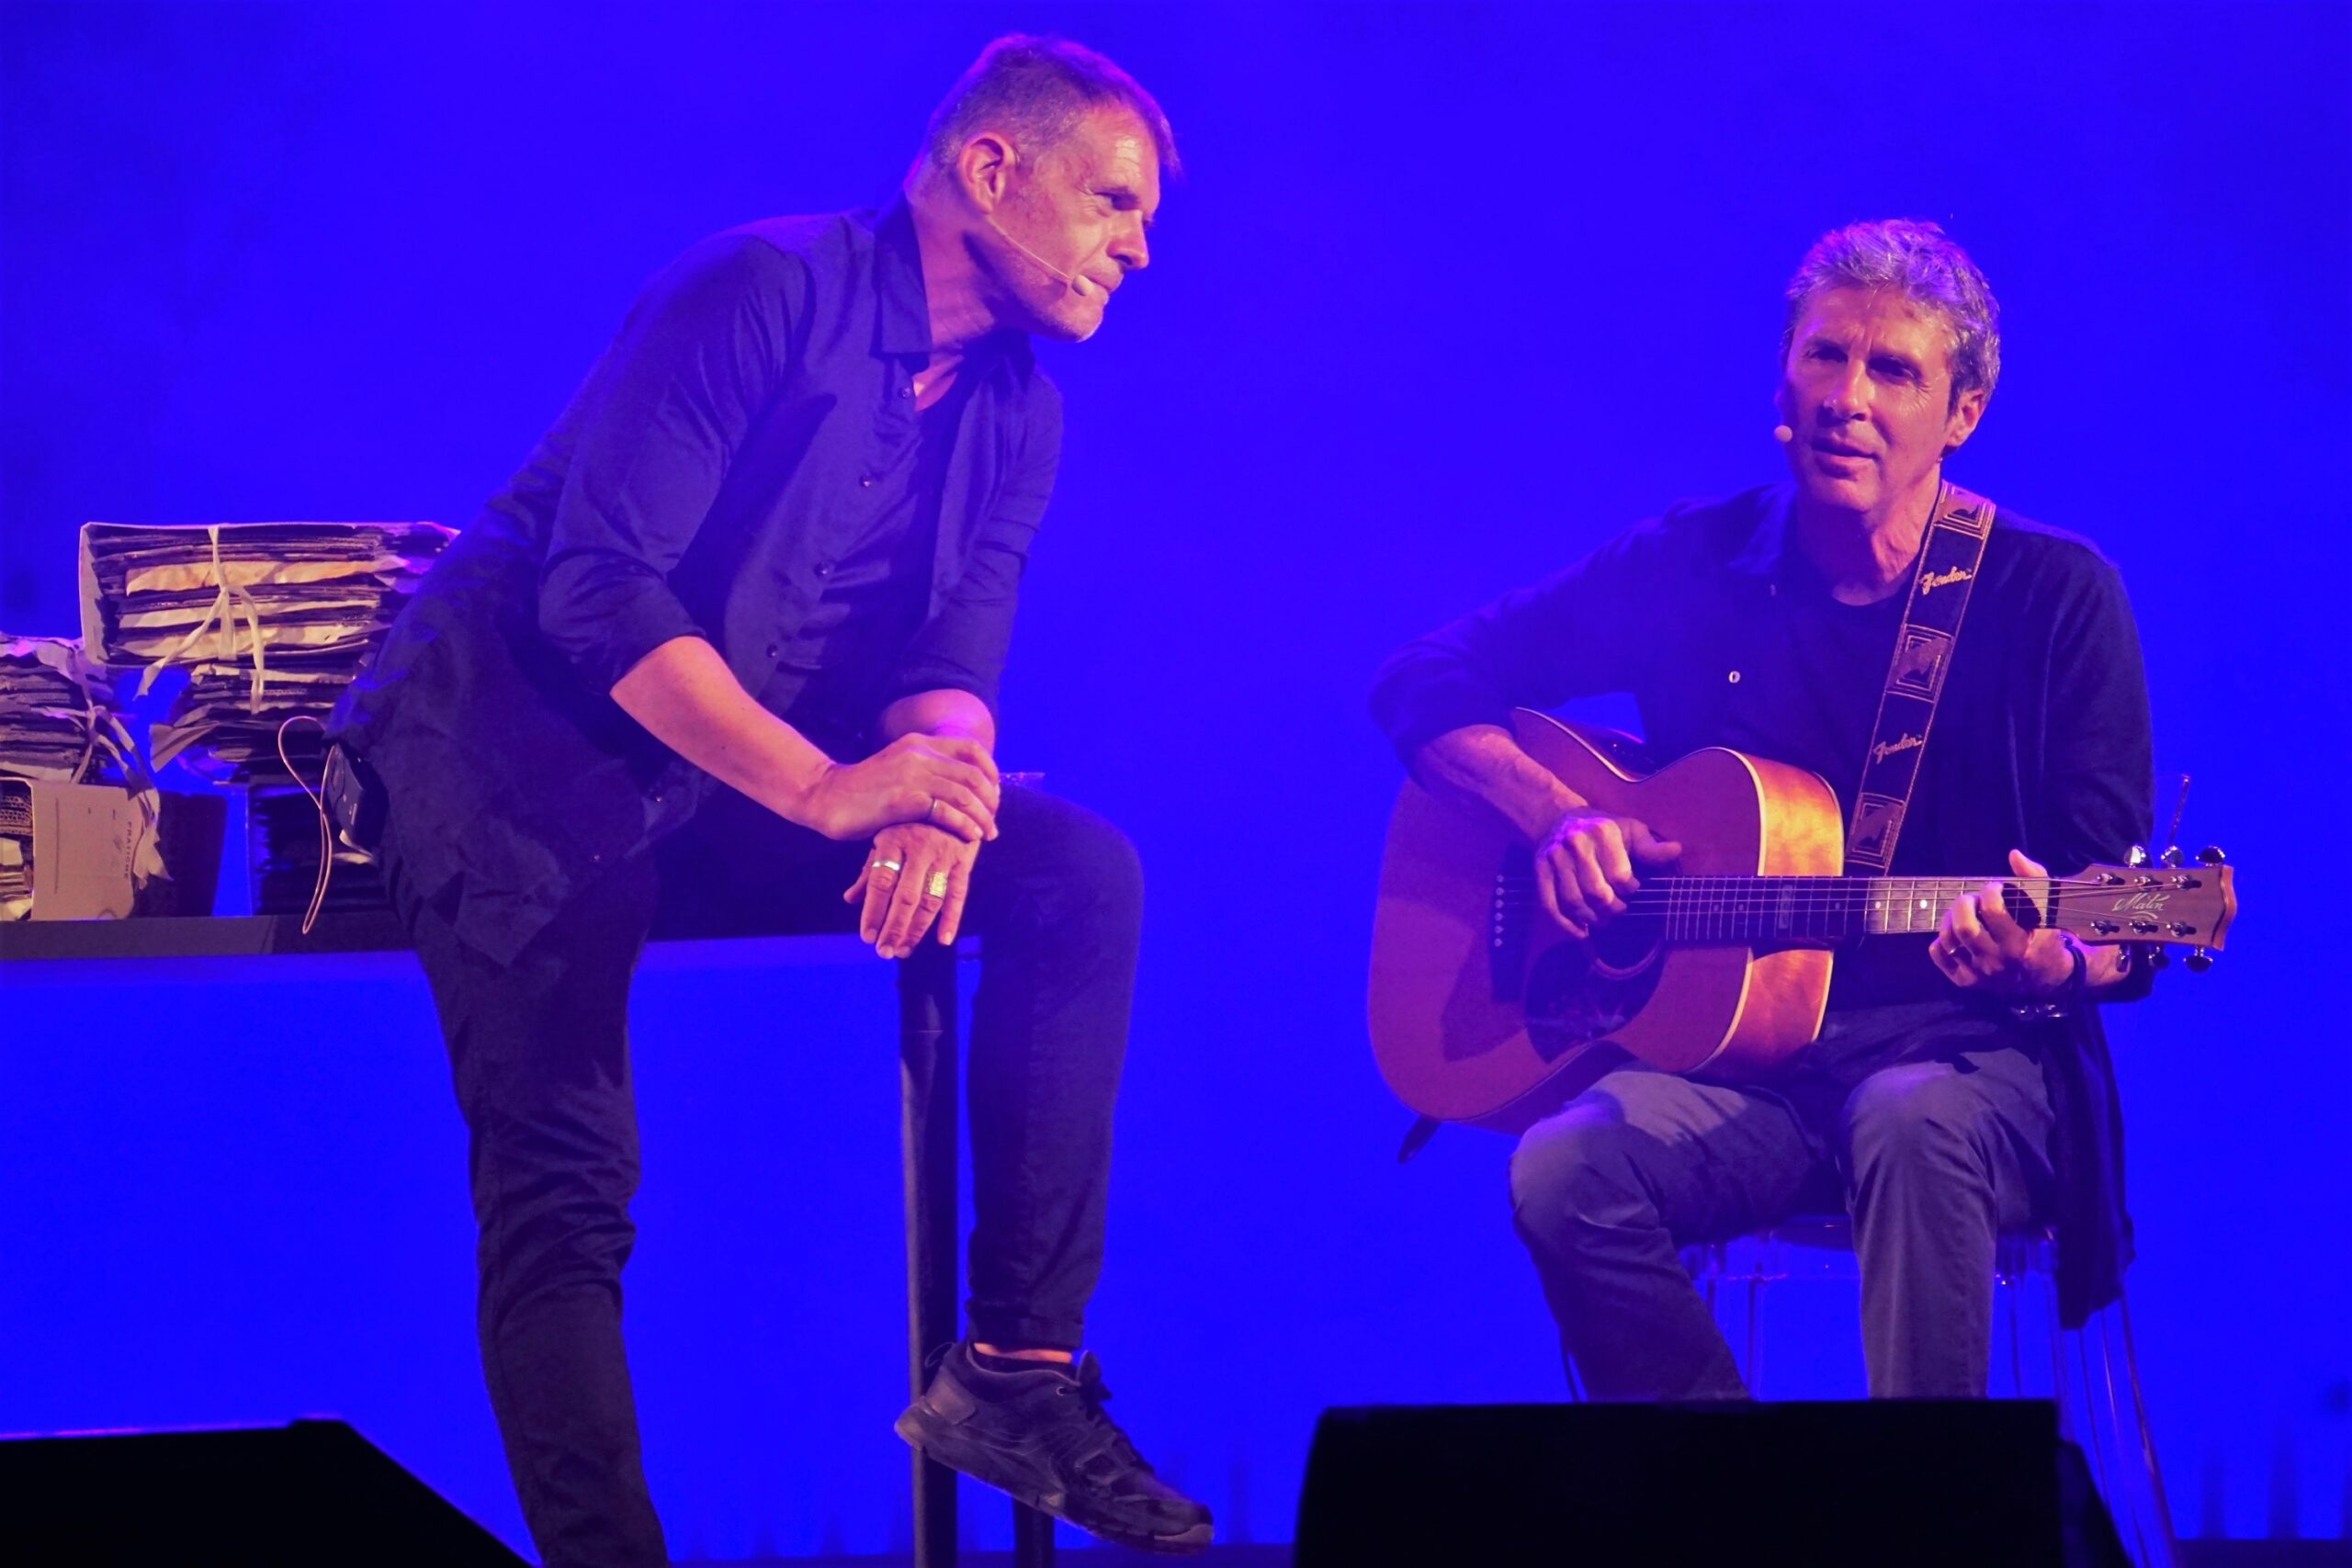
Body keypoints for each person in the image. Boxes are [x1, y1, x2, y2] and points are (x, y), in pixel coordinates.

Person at [329, 35, 1211, 1564]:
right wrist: (829, 788)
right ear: (990, 169)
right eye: (1114, 201)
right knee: (569, 1181)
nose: (1140, 245)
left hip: (723, 768)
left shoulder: (1019, 413)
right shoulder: (762, 291)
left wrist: (937, 798)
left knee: (1076, 872)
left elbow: (948, 657)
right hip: (518, 744)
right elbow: (597, 592)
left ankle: (1016, 1370)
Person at [1369, 220, 2154, 1401]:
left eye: (1894, 371)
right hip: (1739, 1078)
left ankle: (1923, 1526)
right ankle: (1740, 1505)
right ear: (1780, 379)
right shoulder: (1692, 561)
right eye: (1825, 358)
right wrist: (1552, 819)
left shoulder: (2053, 597)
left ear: (1963, 412)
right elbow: (1422, 679)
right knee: (1563, 1168)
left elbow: (2120, 923)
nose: (1849, 398)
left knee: (1906, 1119)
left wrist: (2049, 957)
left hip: (1970, 1070)